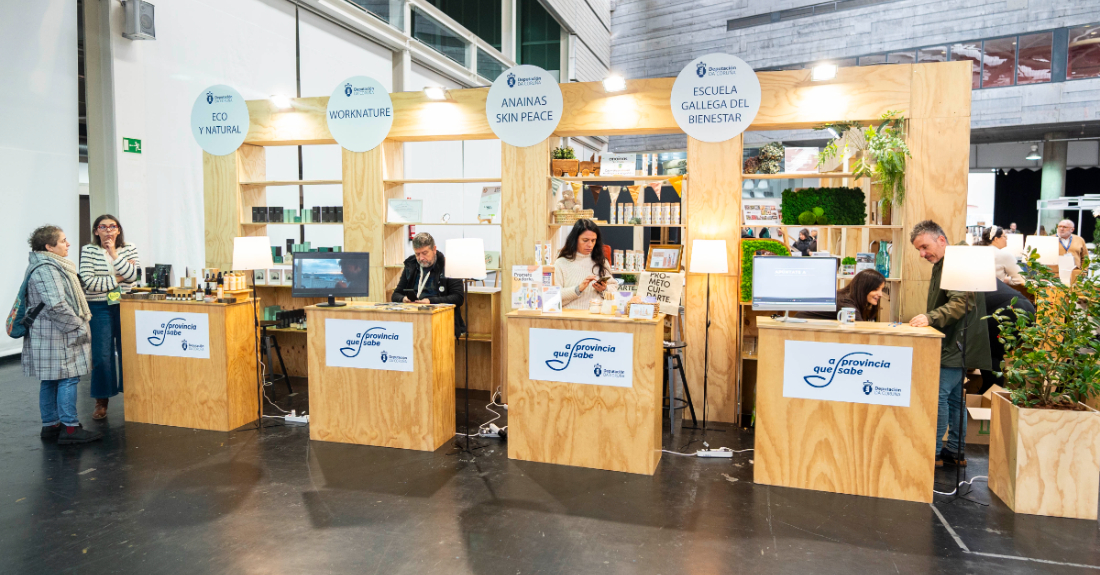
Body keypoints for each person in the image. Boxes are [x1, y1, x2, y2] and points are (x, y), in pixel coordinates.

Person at [908, 220, 991, 468]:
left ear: (941, 240)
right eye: (919, 250)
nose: (922, 254)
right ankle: (954, 451)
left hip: (955, 343)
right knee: (955, 398)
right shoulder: (948, 261)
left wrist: (929, 317)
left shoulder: (957, 263)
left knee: (939, 397)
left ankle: (932, 453)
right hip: (958, 343)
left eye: (924, 247)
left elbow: (961, 303)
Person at [23, 226, 102, 444]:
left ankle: (51, 426)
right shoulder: (47, 268)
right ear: (49, 246)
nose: (68, 244)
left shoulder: (45, 265)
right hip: (57, 334)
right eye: (63, 241)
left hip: (50, 332)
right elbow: (56, 305)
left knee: (50, 379)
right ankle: (69, 429)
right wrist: (78, 326)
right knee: (68, 378)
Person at [79, 214, 140, 420]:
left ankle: (131, 395)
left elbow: (137, 276)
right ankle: (101, 400)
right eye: (103, 227)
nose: (108, 230)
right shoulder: (89, 250)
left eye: (112, 226)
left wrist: (114, 253)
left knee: (129, 352)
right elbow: (88, 282)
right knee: (102, 354)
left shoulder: (129, 247)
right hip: (98, 306)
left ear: (119, 230)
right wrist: (122, 276)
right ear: (96, 231)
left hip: (124, 304)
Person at [390, 233, 465, 337]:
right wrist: (404, 299)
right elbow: (395, 295)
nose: (421, 258)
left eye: (425, 253)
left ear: (434, 249)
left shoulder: (449, 266)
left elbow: (458, 298)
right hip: (413, 319)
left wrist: (430, 301)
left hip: (441, 320)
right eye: (417, 254)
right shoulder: (410, 265)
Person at [980, 278, 1036, 393]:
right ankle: (990, 393)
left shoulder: (961, 278)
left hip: (1009, 310)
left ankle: (990, 394)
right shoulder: (982, 273)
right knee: (993, 353)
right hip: (1027, 309)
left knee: (988, 352)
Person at [554, 219, 618, 310]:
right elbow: (554, 297)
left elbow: (614, 290)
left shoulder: (601, 261)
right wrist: (578, 289)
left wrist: (604, 289)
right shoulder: (561, 263)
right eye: (585, 240)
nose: (590, 245)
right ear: (575, 240)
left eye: (593, 240)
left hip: (597, 318)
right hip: (569, 319)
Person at [797, 269, 886, 321]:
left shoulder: (848, 298)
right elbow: (859, 328)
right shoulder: (845, 303)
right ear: (863, 288)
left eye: (881, 289)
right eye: (875, 289)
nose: (880, 294)